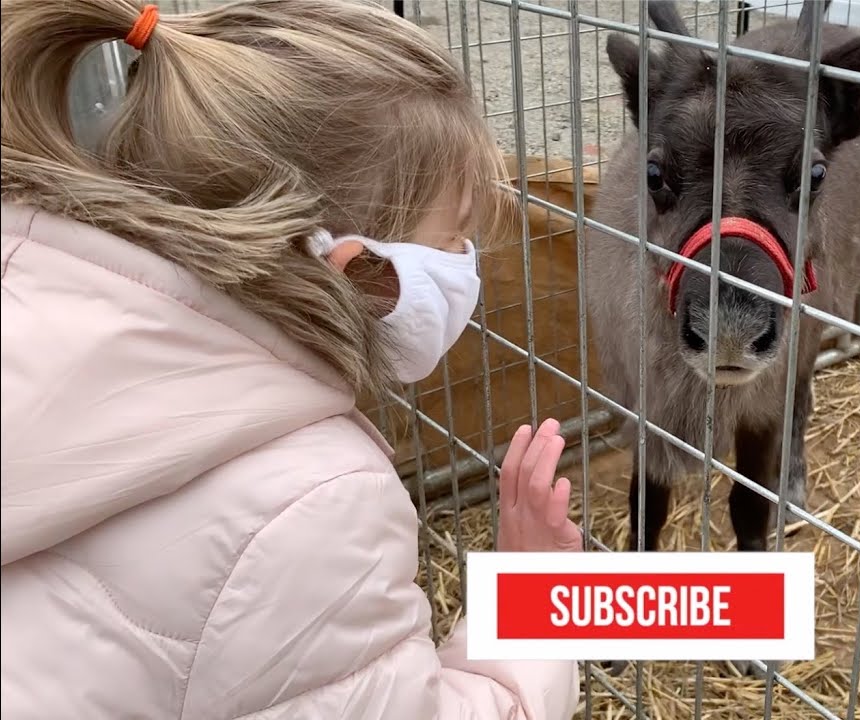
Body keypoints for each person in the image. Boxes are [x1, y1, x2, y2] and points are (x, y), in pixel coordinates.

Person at [0, 1, 584, 718]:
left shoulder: (32, 286)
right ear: (345, 262)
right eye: (452, 236)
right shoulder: (310, 504)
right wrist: (531, 593)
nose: (467, 266)